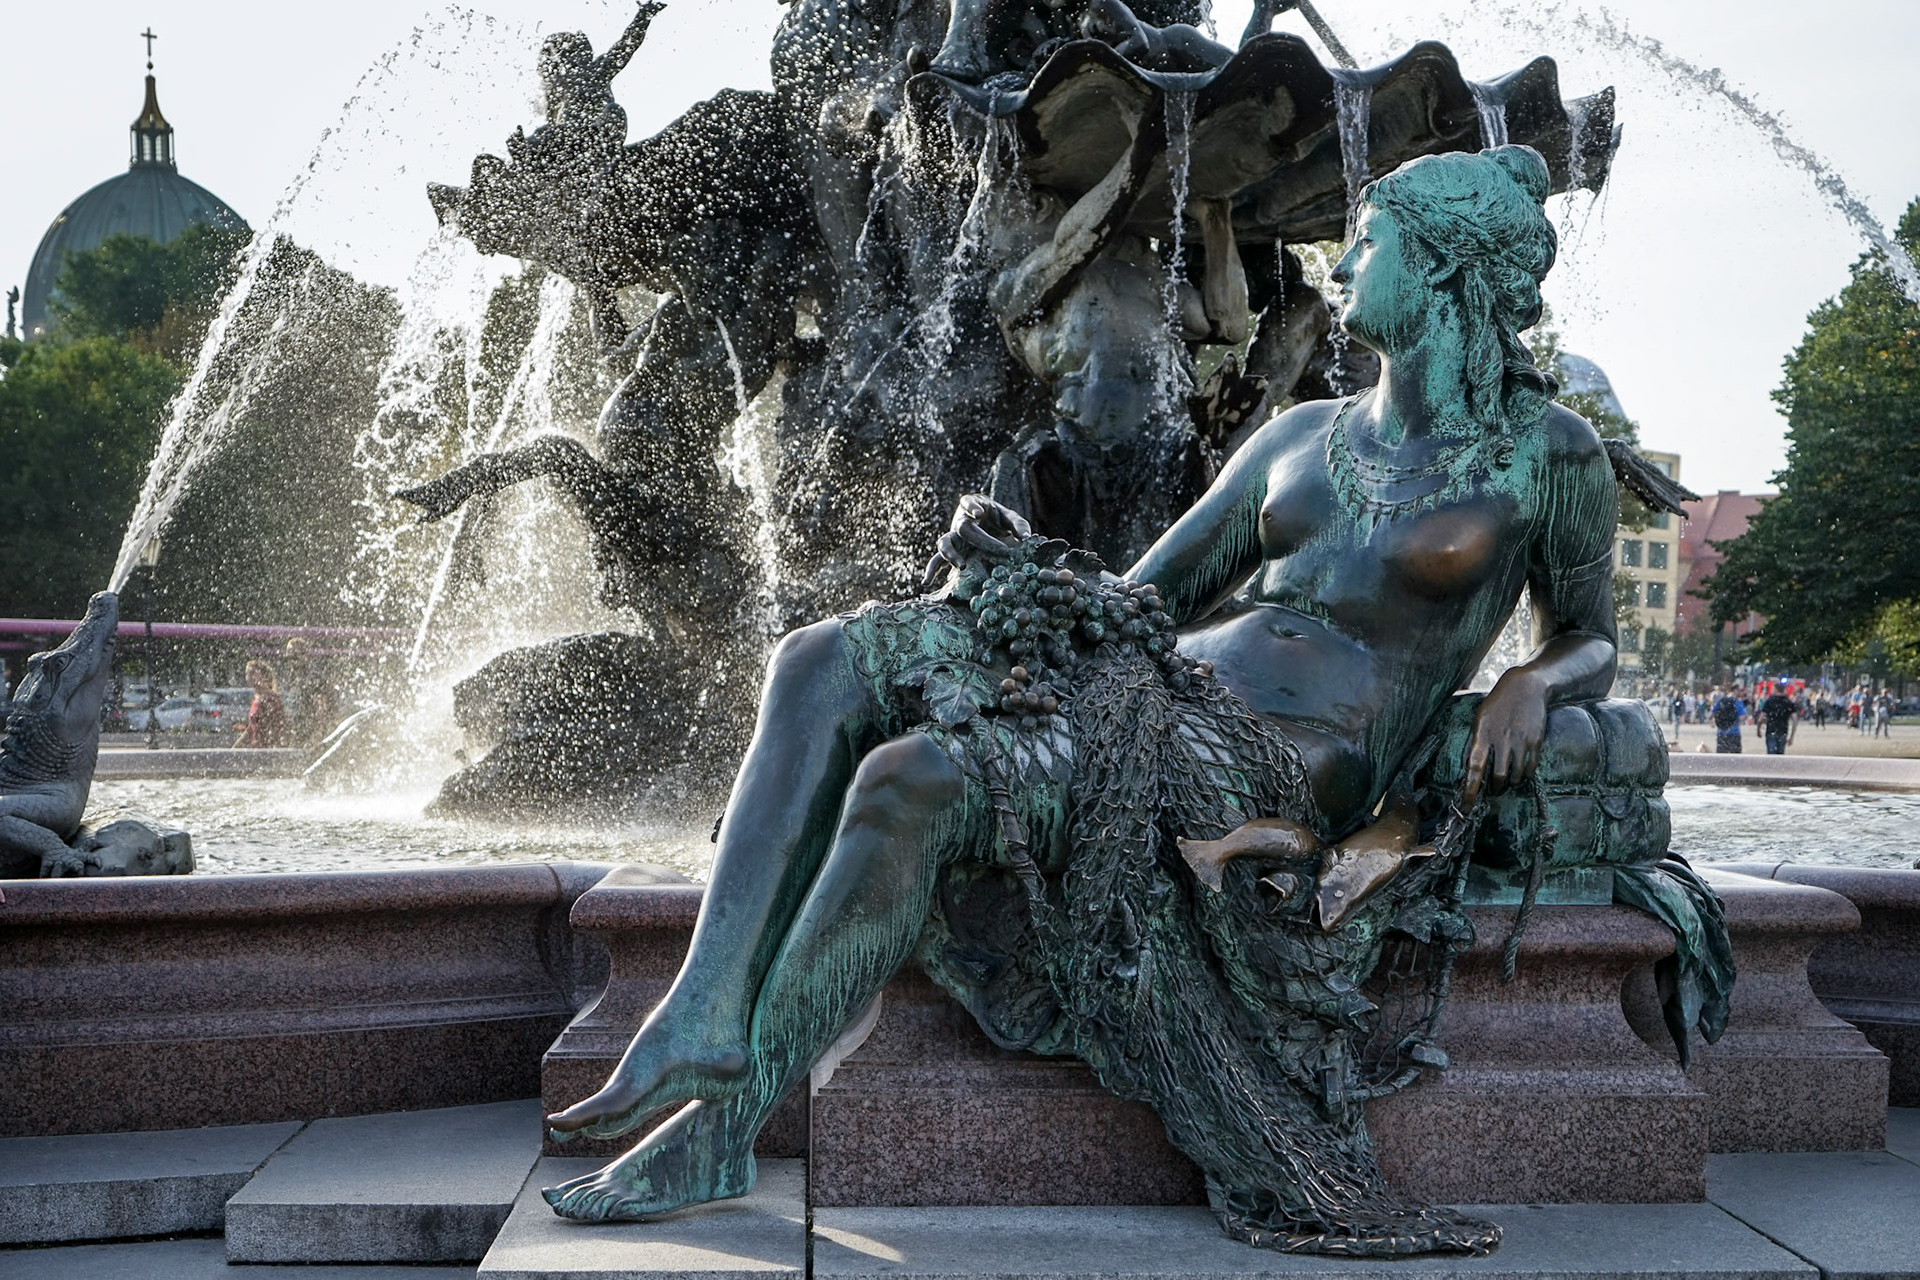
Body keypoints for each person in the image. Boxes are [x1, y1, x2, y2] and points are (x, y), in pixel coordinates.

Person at [538, 147, 1619, 1256]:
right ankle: (705, 1015)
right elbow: (1144, 594)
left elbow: (1595, 635)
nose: (1341, 265)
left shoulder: (1551, 454)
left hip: (1280, 756)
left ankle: (723, 1121)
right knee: (821, 657)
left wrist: (1538, 676)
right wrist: (1022, 573)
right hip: (1159, 678)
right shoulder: (1301, 437)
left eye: (1372, 241)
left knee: (907, 779)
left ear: (1441, 269)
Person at [235, 660, 290, 749]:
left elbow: (280, 726)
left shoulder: (271, 698)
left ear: (263, 675)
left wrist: (279, 749)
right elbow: (250, 729)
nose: (249, 676)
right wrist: (234, 749)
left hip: (268, 749)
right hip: (257, 749)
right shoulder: (256, 698)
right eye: (247, 673)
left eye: (252, 673)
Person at [1757, 686, 1796, 755]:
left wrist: (1758, 730)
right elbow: (1795, 719)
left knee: (1771, 756)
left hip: (1771, 730)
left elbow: (1761, 718)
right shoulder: (1788, 702)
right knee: (1780, 756)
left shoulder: (1769, 701)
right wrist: (1791, 736)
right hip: (1783, 731)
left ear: (1776, 689)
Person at [1710, 685, 1745, 753]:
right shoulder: (1737, 702)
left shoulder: (1720, 701)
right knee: (1735, 758)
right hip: (1734, 733)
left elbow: (1713, 713)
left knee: (1721, 757)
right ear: (1735, 691)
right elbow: (1742, 717)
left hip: (1721, 733)